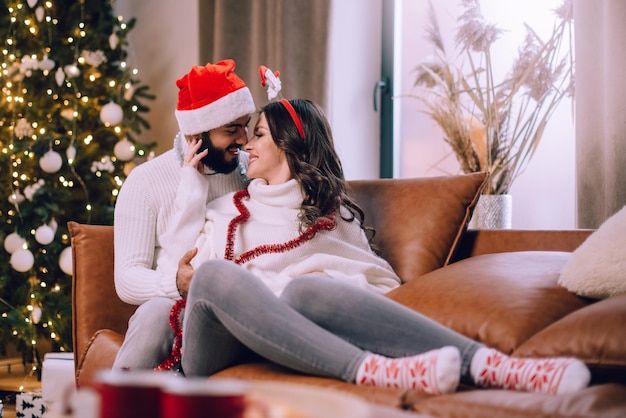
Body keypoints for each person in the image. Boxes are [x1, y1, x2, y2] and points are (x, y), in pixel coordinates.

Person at [158, 98, 591, 395]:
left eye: (260, 135)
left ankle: (493, 366)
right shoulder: (222, 211)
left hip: (291, 337)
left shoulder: (332, 215)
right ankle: (370, 369)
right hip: (213, 347)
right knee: (218, 274)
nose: (246, 146)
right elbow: (190, 278)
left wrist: (322, 281)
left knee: (306, 291)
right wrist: (191, 189)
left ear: (291, 143)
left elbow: (384, 283)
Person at [112, 59, 256, 370]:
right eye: (232, 130)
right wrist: (176, 285)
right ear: (197, 135)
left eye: (246, 125)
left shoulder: (249, 172)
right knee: (156, 315)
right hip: (170, 305)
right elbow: (126, 279)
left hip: (234, 304)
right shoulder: (146, 181)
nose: (244, 140)